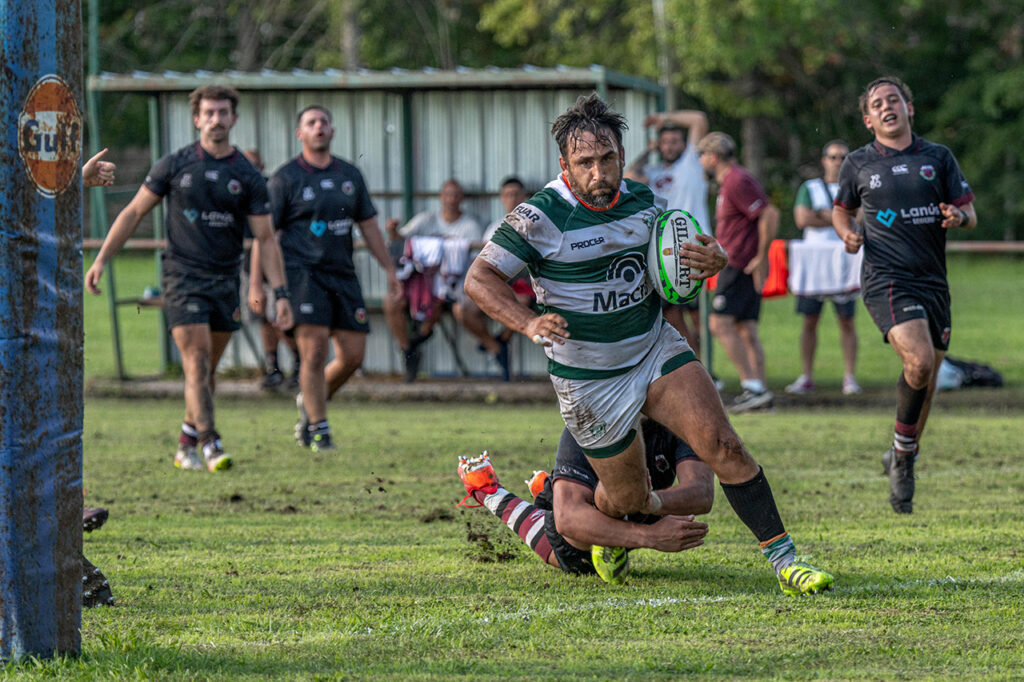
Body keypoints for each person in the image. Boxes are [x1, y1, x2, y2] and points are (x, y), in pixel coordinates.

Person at [465, 93, 832, 595]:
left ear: (622, 153)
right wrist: (527, 322)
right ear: (564, 166)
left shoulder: (645, 202)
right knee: (628, 497)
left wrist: (712, 259)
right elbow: (480, 278)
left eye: (608, 159)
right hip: (589, 380)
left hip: (653, 348)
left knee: (724, 444)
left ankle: (786, 560)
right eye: (585, 163)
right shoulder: (540, 216)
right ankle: (614, 536)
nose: (599, 174)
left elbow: (677, 266)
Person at [85, 85, 294, 473]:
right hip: (182, 275)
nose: (216, 119)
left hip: (224, 278)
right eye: (209, 112)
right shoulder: (174, 165)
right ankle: (210, 442)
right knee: (196, 363)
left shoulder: (247, 176)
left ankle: (185, 443)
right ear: (197, 119)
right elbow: (132, 213)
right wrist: (101, 259)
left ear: (234, 118)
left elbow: (266, 238)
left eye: (223, 112)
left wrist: (280, 292)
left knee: (207, 373)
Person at [832, 76, 976, 514]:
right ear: (868, 118)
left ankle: (901, 451)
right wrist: (847, 234)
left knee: (926, 377)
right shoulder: (858, 163)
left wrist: (959, 217)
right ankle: (904, 458)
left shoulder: (938, 157)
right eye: (877, 102)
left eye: (894, 99)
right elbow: (841, 210)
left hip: (933, 281)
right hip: (886, 279)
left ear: (909, 108)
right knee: (919, 361)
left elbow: (970, 211)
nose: (887, 106)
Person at [254, 105, 399, 451]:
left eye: (323, 122)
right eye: (311, 123)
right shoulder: (285, 178)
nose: (318, 127)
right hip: (303, 275)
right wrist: (255, 283)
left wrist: (390, 269)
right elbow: (265, 234)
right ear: (300, 134)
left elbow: (368, 226)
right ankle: (319, 429)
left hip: (343, 274)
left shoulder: (349, 174)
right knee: (314, 352)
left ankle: (309, 402)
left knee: (353, 356)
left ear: (332, 131)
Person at [457, 419, 712, 584]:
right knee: (576, 558)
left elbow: (701, 493)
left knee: (614, 495)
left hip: (645, 504)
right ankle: (488, 490)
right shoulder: (586, 420)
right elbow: (569, 521)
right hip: (587, 519)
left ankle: (550, 491)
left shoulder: (678, 415)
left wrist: (651, 502)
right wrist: (650, 536)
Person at [699, 132, 780, 413]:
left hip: (737, 264)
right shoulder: (730, 181)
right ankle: (761, 392)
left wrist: (761, 255)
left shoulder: (735, 180)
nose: (700, 161)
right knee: (746, 329)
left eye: (702, 155)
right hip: (741, 263)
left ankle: (752, 387)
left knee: (719, 324)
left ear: (712, 157)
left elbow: (769, 213)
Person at [383, 179, 488, 382]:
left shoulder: (469, 226)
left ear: (462, 199)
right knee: (391, 301)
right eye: (448, 194)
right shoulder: (425, 220)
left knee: (439, 294)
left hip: (450, 282)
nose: (451, 199)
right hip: (418, 280)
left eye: (456, 195)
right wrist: (392, 231)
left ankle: (422, 335)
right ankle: (407, 350)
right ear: (441, 197)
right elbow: (399, 241)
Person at [625, 109, 710, 355]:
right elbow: (630, 176)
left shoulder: (692, 163)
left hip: (695, 247)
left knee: (701, 319)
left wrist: (663, 118)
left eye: (675, 141)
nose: (670, 146)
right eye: (665, 142)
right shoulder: (652, 172)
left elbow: (698, 119)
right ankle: (697, 363)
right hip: (665, 253)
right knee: (673, 316)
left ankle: (708, 368)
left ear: (683, 144)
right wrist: (649, 151)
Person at [786, 140, 861, 396]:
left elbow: (861, 217)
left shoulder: (854, 187)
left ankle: (849, 376)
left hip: (843, 260)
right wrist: (839, 216)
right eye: (833, 157)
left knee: (847, 320)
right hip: (814, 263)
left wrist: (823, 214)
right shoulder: (811, 187)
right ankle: (807, 375)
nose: (837, 162)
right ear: (824, 160)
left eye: (842, 157)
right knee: (809, 321)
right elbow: (802, 218)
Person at [240, 148, 301, 391]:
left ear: (262, 167)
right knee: (263, 317)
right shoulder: (233, 190)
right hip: (249, 265)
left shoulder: (271, 189)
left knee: (282, 319)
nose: (250, 171)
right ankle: (273, 367)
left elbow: (265, 236)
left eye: (255, 165)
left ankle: (298, 364)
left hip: (277, 265)